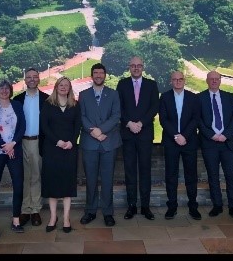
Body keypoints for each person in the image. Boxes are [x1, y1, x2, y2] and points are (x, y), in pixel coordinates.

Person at [116, 56, 159, 221]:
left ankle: (145, 207)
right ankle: (131, 206)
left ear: (143, 67)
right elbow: (118, 107)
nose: (136, 68)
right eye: (133, 66)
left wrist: (141, 123)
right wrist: (128, 123)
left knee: (145, 171)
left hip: (144, 134)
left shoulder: (151, 85)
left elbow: (154, 107)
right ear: (129, 67)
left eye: (139, 65)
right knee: (130, 171)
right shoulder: (122, 84)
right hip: (128, 134)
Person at [79, 63, 122, 227]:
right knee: (90, 179)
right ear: (92, 75)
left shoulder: (113, 94)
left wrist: (101, 130)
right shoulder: (83, 95)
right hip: (90, 143)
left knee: (107, 179)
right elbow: (82, 116)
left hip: (108, 142)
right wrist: (93, 131)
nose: (98, 75)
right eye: (95, 73)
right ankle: (90, 211)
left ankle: (108, 213)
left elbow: (116, 115)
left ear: (105, 75)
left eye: (101, 73)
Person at [0, 78, 26, 240]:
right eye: (1, 88)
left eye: (7, 88)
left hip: (14, 151)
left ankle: (16, 220)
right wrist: (4, 145)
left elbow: (22, 126)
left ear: (10, 90)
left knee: (19, 186)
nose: (4, 90)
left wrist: (13, 143)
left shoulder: (17, 106)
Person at [198, 70, 233, 221]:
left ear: (220, 80)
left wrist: (226, 135)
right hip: (209, 143)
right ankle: (217, 205)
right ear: (207, 80)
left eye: (217, 79)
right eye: (211, 79)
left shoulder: (229, 97)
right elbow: (199, 121)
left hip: (227, 143)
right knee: (213, 176)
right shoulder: (200, 98)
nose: (214, 81)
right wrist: (212, 135)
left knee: (231, 176)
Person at [40, 76, 81, 233]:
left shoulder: (75, 105)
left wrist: (72, 141)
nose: (64, 87)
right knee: (52, 184)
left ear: (70, 88)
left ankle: (66, 219)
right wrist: (57, 141)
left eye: (67, 85)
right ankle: (52, 217)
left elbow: (78, 125)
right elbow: (44, 126)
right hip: (52, 149)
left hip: (69, 149)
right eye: (61, 85)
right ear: (56, 87)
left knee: (67, 184)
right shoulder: (48, 104)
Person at [158, 70, 202, 220]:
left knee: (191, 175)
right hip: (171, 142)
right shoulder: (164, 97)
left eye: (180, 79)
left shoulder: (193, 98)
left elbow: (196, 119)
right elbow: (163, 120)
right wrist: (176, 136)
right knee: (171, 175)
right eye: (175, 79)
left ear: (184, 80)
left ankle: (193, 207)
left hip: (189, 142)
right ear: (171, 81)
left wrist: (184, 136)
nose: (177, 81)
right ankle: (172, 207)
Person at [14, 68, 49, 227]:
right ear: (25, 80)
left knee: (35, 176)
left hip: (37, 142)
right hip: (20, 142)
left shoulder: (46, 99)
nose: (32, 79)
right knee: (23, 176)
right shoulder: (18, 99)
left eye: (35, 76)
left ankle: (35, 210)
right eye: (29, 77)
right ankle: (25, 210)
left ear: (39, 79)